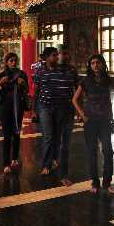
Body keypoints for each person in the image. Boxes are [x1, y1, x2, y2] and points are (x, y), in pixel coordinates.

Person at [34, 46, 79, 186]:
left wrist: (78, 109)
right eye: (56, 55)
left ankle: (54, 159)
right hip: (45, 107)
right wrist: (34, 108)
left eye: (64, 54)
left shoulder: (69, 70)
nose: (59, 57)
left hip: (62, 108)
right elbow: (36, 89)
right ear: (47, 57)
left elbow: (77, 89)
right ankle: (46, 165)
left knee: (57, 136)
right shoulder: (40, 71)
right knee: (48, 136)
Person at [73, 54, 114, 195]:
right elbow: (74, 99)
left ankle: (107, 182)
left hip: (104, 121)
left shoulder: (107, 81)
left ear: (103, 64)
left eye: (98, 62)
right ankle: (95, 182)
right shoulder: (85, 81)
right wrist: (82, 115)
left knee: (108, 151)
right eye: (92, 63)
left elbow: (108, 101)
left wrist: (112, 119)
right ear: (90, 66)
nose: (95, 65)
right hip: (91, 121)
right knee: (92, 152)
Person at [0, 52, 29, 174]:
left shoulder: (21, 74)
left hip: (18, 109)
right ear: (7, 62)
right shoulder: (2, 75)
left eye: (15, 60)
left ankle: (14, 159)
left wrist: (23, 83)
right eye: (11, 61)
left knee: (16, 134)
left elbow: (27, 90)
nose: (13, 63)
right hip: (5, 109)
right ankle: (6, 163)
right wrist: (0, 82)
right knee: (7, 136)